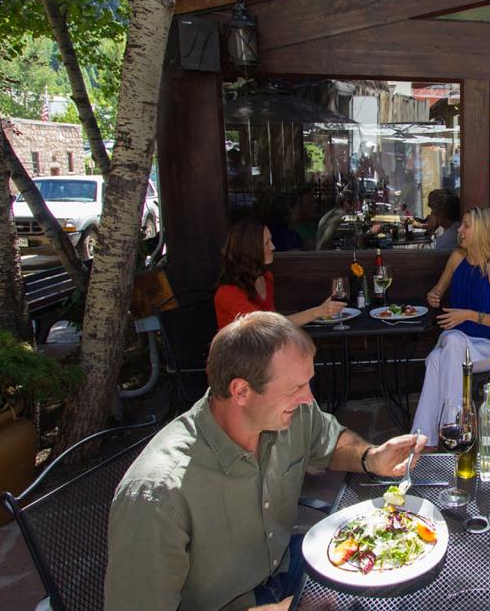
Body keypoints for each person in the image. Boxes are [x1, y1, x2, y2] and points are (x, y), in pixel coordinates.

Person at [105, 312, 426, 611]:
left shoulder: (289, 415)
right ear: (241, 391)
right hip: (233, 604)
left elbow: (329, 440)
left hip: (285, 566)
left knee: (407, 583)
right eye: (296, 387)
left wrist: (370, 457)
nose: (308, 398)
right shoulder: (157, 494)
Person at [412, 207, 490, 443]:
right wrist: (434, 296)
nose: (460, 229)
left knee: (436, 359)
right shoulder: (458, 258)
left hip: (488, 347)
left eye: (466, 225)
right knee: (454, 340)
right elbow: (437, 290)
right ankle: (454, 428)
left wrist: (469, 315)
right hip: (455, 344)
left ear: (481, 231)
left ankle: (426, 439)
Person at [214, 219, 345, 328]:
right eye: (266, 243)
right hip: (242, 356)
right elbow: (264, 326)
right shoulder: (228, 292)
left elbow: (274, 320)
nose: (273, 247)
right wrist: (318, 311)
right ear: (250, 249)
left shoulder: (265, 277)